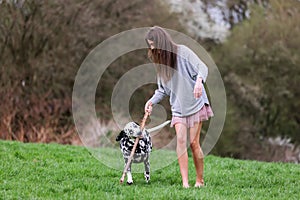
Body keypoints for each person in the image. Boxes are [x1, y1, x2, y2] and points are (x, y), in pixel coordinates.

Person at [144, 26, 214, 188]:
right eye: (150, 46)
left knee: (194, 143)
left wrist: (198, 82)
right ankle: (185, 183)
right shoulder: (160, 63)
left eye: (154, 44)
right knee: (181, 141)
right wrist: (151, 101)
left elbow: (203, 68)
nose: (153, 49)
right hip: (178, 108)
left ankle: (199, 180)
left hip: (195, 104)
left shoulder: (183, 52)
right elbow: (162, 90)